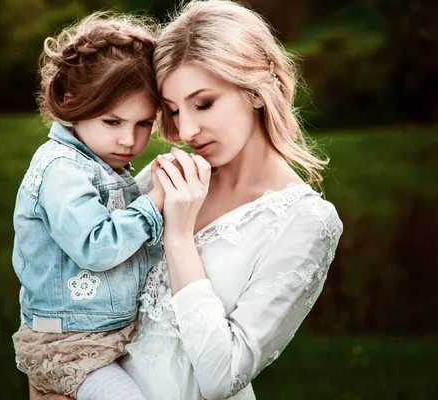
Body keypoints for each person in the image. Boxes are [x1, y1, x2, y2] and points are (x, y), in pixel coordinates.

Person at [31, 1, 343, 399]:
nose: (186, 129)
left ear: (257, 90)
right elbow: (73, 289)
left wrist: (178, 236)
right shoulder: (166, 178)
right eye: (173, 110)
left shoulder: (307, 222)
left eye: (204, 103)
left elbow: (221, 376)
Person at [12, 11, 167, 400]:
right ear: (72, 101)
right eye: (112, 122)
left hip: (106, 334)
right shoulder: (62, 169)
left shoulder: (101, 163)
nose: (128, 141)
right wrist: (154, 203)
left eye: (143, 124)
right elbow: (96, 246)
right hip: (68, 346)